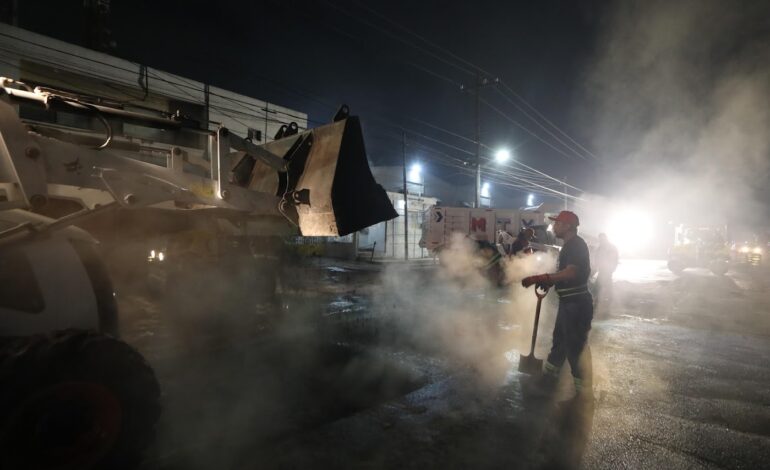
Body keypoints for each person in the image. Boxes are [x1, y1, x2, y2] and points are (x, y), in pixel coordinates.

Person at [521, 211, 593, 402]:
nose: (554, 226)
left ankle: (583, 393)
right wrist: (551, 282)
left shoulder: (577, 245)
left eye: (558, 223)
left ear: (568, 226)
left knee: (576, 348)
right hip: (568, 302)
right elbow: (566, 274)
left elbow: (571, 273)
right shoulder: (569, 246)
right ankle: (550, 377)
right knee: (559, 341)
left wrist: (543, 278)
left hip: (577, 304)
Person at [594, 233, 619, 309]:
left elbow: (615, 259)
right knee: (599, 285)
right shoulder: (600, 248)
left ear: (605, 238)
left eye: (602, 239)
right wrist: (597, 266)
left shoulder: (611, 247)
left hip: (608, 270)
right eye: (600, 239)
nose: (600, 240)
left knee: (606, 285)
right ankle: (598, 301)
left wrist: (612, 268)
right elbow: (597, 258)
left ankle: (608, 302)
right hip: (602, 270)